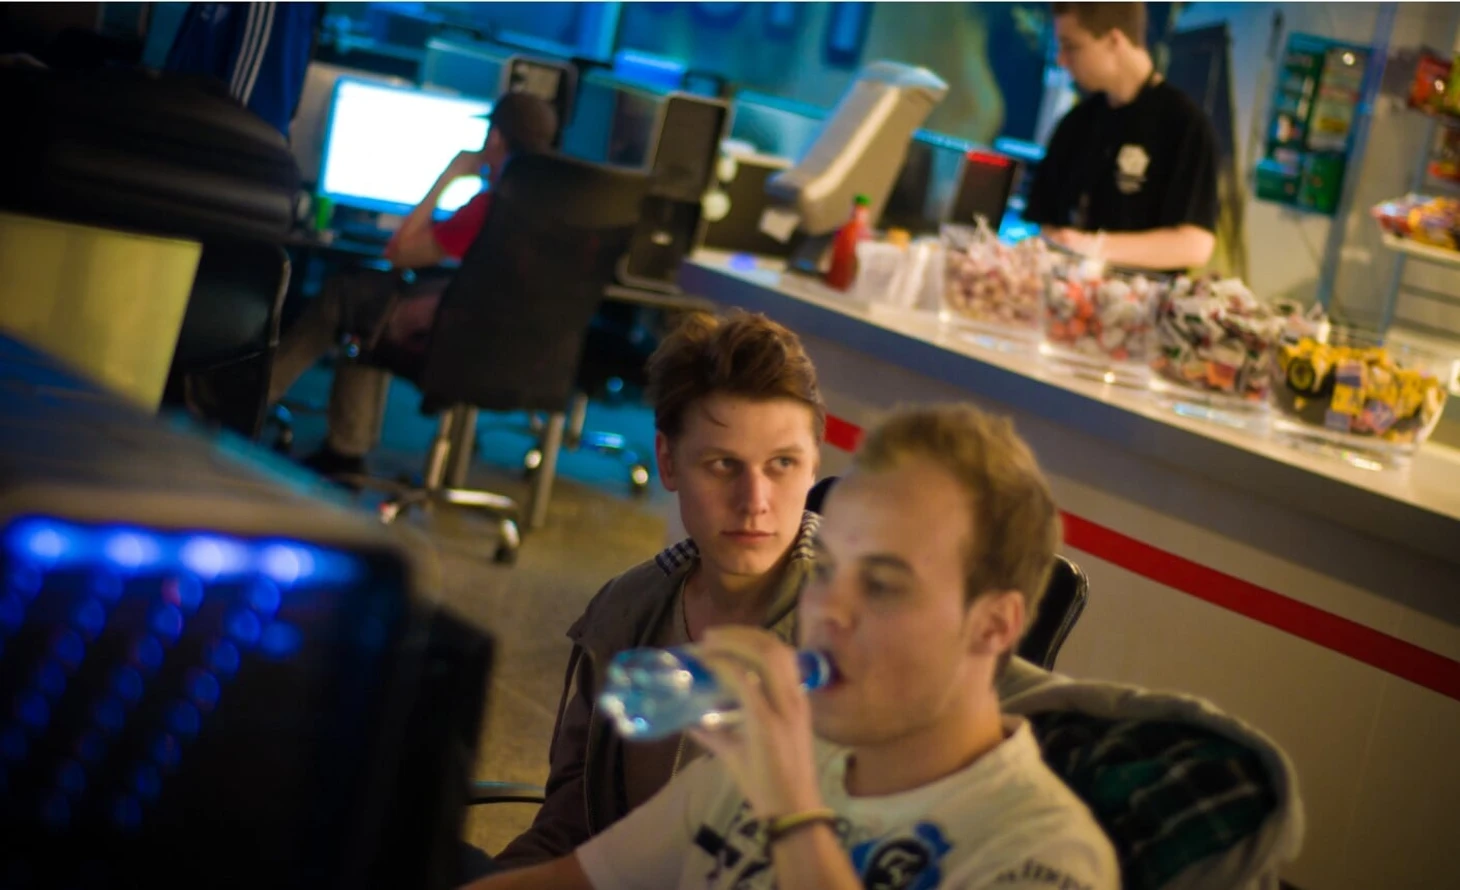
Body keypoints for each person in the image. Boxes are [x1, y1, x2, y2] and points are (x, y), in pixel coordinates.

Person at [467, 403, 1119, 889]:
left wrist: (793, 811)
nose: (829, 609)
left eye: (882, 585)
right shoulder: (780, 754)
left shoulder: (1041, 855)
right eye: (828, 569)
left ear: (995, 625)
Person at [487, 311, 827, 870]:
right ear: (668, 462)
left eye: (782, 464)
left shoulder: (857, 643)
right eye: (723, 465)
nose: (755, 501)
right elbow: (569, 830)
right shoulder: (626, 612)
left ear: (814, 464)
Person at [266, 91, 559, 476]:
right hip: (528, 355)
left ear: (496, 139)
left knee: (350, 297)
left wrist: (447, 178)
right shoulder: (555, 211)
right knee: (368, 305)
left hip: (458, 348)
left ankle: (255, 398)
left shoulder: (490, 207)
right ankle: (343, 450)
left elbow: (398, 252)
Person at [1024, 2, 1218, 272]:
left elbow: (1194, 244)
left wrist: (1092, 246)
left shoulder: (1185, 125)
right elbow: (1047, 225)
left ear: (1114, 41)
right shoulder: (1075, 123)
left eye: (1071, 46)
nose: (1061, 60)